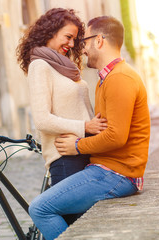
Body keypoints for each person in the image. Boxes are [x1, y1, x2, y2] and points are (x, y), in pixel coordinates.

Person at [28, 16, 151, 240]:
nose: (80, 47)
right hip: (105, 168)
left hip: (115, 173)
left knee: (40, 209)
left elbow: (115, 136)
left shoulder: (119, 78)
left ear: (99, 41)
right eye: (73, 38)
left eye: (83, 40)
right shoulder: (107, 79)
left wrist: (77, 145)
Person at [16, 8, 107, 188]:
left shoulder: (64, 67)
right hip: (65, 159)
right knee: (73, 217)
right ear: (51, 32)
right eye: (68, 37)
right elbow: (42, 120)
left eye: (75, 39)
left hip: (84, 150)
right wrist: (85, 126)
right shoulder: (39, 66)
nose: (72, 44)